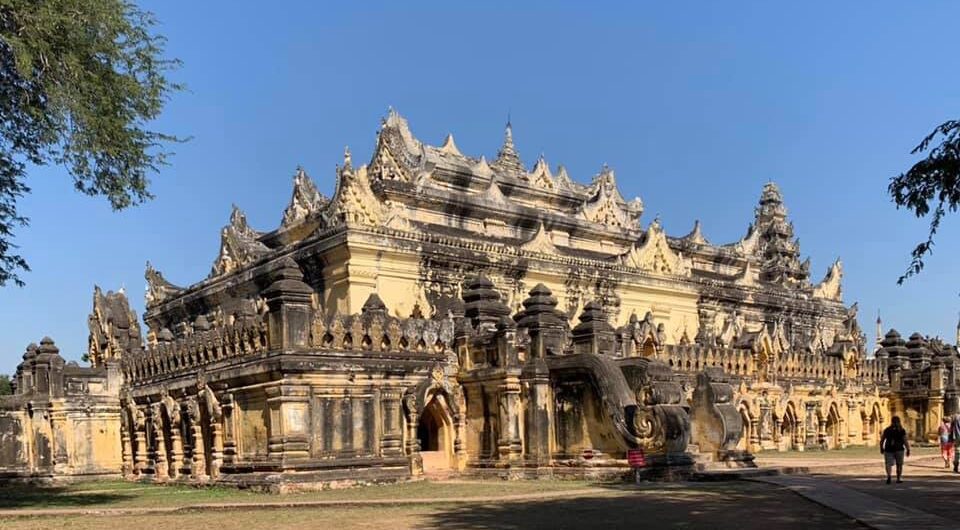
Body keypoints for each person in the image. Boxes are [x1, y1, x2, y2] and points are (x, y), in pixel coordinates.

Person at [880, 416, 910, 484]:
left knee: (888, 464)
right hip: (899, 449)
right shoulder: (901, 430)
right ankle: (898, 478)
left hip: (888, 449)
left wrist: (881, 448)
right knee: (899, 464)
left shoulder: (887, 430)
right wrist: (908, 449)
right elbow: (905, 440)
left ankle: (889, 476)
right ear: (899, 422)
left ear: (892, 422)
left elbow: (882, 440)